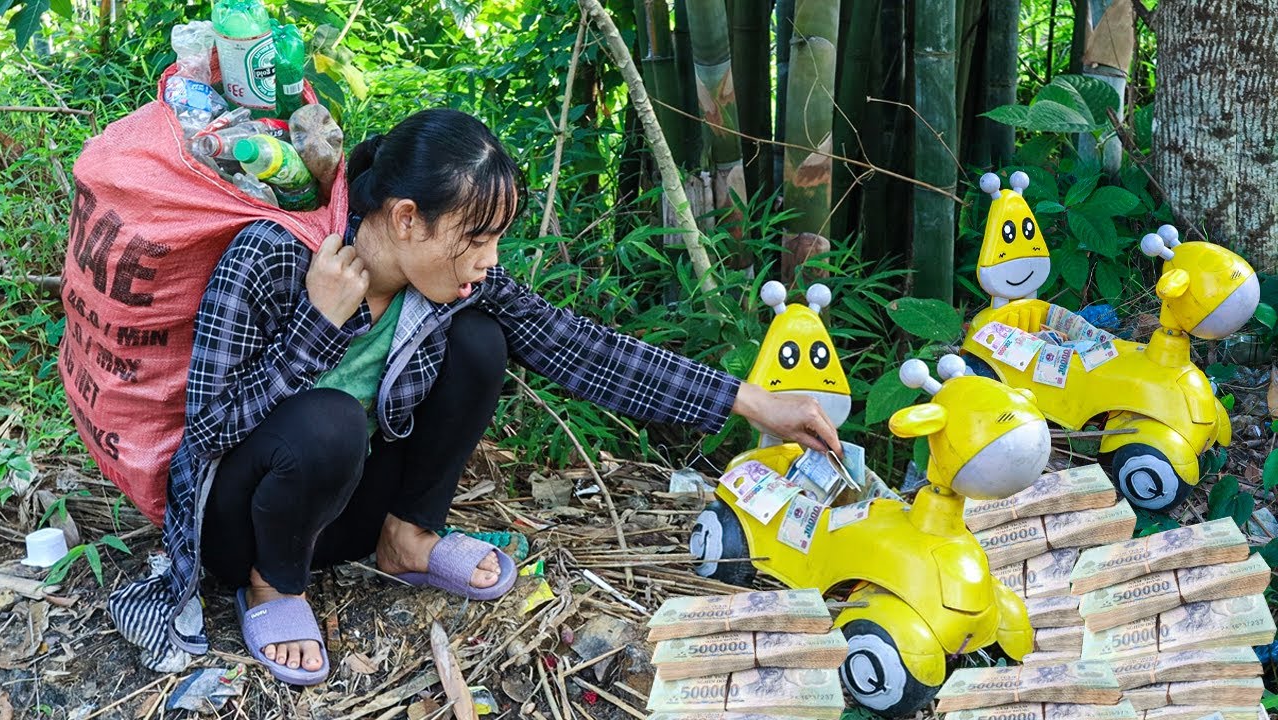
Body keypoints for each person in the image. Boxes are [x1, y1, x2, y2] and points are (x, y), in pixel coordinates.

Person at [108, 108, 843, 685]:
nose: (489, 261)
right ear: (406, 218)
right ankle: (273, 590)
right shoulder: (271, 256)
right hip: (240, 529)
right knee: (330, 421)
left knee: (482, 340)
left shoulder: (450, 282)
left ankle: (407, 539)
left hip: (342, 512)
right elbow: (209, 429)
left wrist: (755, 402)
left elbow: (582, 348)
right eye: (477, 238)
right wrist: (316, 329)